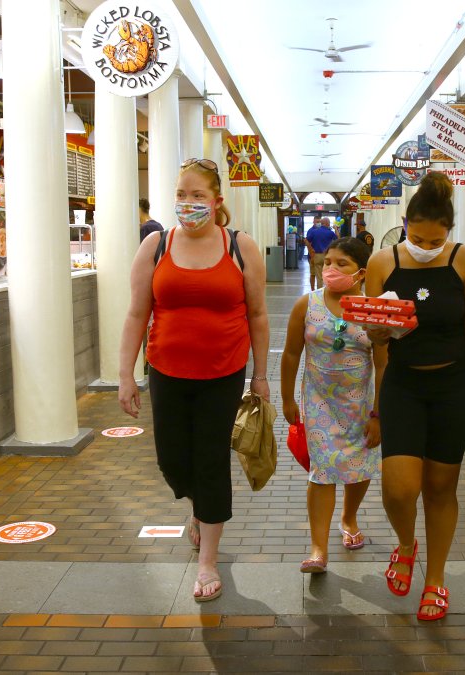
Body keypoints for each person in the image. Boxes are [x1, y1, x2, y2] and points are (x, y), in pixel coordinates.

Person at [119, 158, 270, 603]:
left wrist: (260, 376)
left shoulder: (241, 246)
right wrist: (125, 375)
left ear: (217, 201)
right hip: (165, 371)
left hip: (223, 374)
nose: (188, 203)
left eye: (197, 195)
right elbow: (135, 313)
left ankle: (208, 558)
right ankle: (198, 510)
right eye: (181, 194)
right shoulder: (156, 245)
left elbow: (259, 315)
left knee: (210, 460)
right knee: (172, 461)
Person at [363, 171, 465, 622]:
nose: (426, 245)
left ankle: (437, 578)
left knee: (440, 487)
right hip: (403, 385)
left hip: (455, 388)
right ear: (404, 225)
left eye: (435, 238)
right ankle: (406, 545)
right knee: (398, 487)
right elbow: (378, 346)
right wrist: (377, 336)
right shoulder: (382, 263)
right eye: (418, 236)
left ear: (449, 231)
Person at [280, 237, 385, 574]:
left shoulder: (373, 310)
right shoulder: (306, 305)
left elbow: (383, 364)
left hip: (361, 407)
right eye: (328, 262)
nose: (331, 269)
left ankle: (349, 518)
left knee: (360, 467)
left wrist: (379, 415)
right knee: (322, 472)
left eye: (342, 264)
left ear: (361, 273)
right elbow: (291, 353)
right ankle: (318, 549)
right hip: (319, 402)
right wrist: (286, 397)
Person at [304, 217, 337, 291]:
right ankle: (328, 291)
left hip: (316, 255)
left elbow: (306, 241)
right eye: (329, 223)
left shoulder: (314, 231)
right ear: (327, 223)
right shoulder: (330, 232)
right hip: (327, 257)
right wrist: (336, 229)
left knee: (319, 276)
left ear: (321, 223)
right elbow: (339, 239)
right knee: (328, 275)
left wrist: (311, 250)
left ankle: (319, 293)